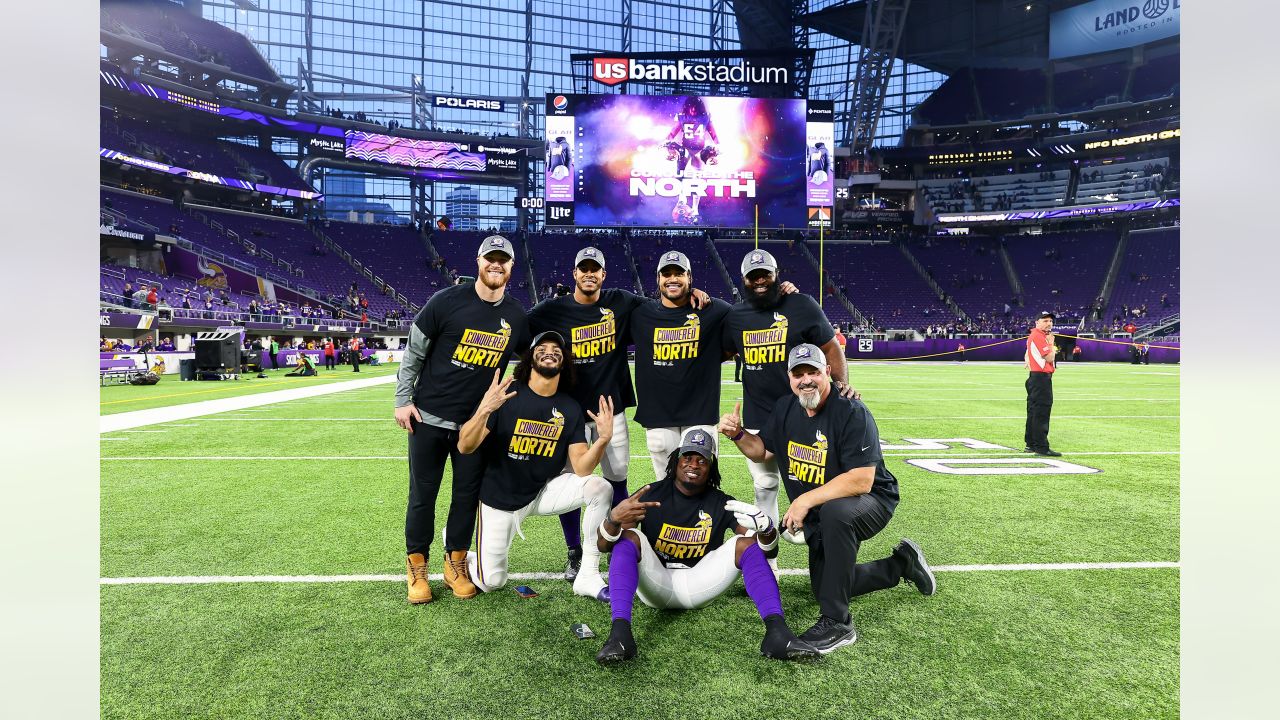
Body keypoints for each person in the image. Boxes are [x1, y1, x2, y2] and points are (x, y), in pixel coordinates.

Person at [719, 344, 936, 654]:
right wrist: (739, 434)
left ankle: (838, 623)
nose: (806, 380)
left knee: (836, 512)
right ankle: (901, 564)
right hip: (824, 507)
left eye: (814, 372)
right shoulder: (784, 408)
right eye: (799, 374)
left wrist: (804, 501)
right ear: (790, 378)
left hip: (871, 500)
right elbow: (762, 450)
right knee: (825, 587)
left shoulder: (851, 411)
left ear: (828, 373)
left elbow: (862, 479)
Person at [528, 247, 714, 581]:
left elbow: (666, 305)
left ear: (603, 274)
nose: (589, 274)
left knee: (617, 480)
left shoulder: (622, 302)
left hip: (609, 409)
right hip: (568, 415)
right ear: (574, 274)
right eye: (582, 268)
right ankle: (575, 550)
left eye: (594, 269)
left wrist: (693, 293)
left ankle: (618, 540)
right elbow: (520, 333)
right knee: (571, 483)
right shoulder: (552, 310)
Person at [594, 428, 820, 664]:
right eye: (688, 457)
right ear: (676, 459)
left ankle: (777, 632)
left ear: (711, 466)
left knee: (745, 544)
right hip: (656, 583)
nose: (693, 465)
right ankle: (620, 635)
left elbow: (767, 551)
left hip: (700, 583)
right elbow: (603, 545)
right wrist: (613, 520)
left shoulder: (721, 502)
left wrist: (767, 530)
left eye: (702, 460)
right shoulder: (651, 494)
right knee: (629, 537)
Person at [395, 235, 531, 604]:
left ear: (511, 267)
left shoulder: (517, 315)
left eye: (503, 261)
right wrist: (402, 400)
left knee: (466, 497)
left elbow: (534, 361)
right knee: (423, 495)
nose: (496, 265)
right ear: (479, 261)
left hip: (478, 425)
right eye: (491, 259)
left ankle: (455, 563)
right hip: (429, 417)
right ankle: (416, 568)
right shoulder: (446, 301)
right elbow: (414, 353)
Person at [456, 331, 612, 600]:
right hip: (500, 498)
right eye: (542, 347)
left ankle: (588, 575)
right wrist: (484, 410)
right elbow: (464, 446)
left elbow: (582, 468)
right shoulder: (506, 396)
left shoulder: (569, 407)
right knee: (491, 581)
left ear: (563, 362)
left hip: (542, 491)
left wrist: (603, 440)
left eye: (556, 349)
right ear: (530, 358)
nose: (550, 351)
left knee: (600, 487)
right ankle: (470, 557)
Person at [721, 249, 853, 527]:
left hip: (806, 412)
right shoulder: (735, 316)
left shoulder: (801, 305)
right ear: (743, 280)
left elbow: (831, 348)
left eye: (765, 275)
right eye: (753, 276)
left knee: (818, 481)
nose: (760, 281)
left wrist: (841, 387)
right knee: (765, 484)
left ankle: (823, 537)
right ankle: (769, 557)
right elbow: (721, 350)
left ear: (776, 275)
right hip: (760, 415)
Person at [630, 251, 733, 482]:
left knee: (701, 481)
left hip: (700, 412)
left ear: (690, 277)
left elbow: (746, 321)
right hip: (658, 414)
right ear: (658, 279)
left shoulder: (713, 309)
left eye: (679, 273)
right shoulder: (640, 312)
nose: (672, 278)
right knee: (665, 482)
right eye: (667, 274)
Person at [1023, 311, 1060, 456]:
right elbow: (1050, 357)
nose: (1049, 323)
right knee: (1041, 412)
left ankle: (1031, 444)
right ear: (1037, 322)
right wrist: (1051, 344)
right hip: (1041, 379)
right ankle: (1041, 447)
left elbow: (1027, 353)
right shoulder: (1039, 336)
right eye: (1045, 321)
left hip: (1035, 377)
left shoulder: (1035, 335)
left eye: (1050, 321)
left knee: (1033, 411)